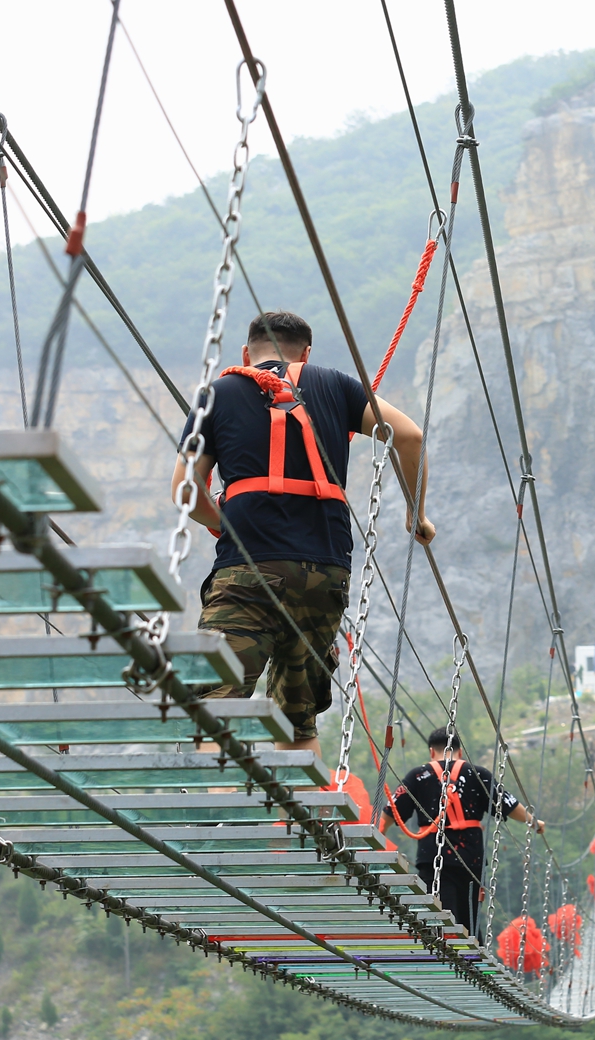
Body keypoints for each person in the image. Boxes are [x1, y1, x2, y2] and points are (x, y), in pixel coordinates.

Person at [169, 311, 435, 754]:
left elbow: (183, 487)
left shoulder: (218, 392)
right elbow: (409, 435)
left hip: (249, 569)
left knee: (217, 708)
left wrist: (223, 524)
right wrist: (416, 514)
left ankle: (221, 821)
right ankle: (307, 820)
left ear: (246, 354)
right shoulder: (337, 385)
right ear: (306, 354)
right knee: (298, 719)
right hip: (325, 570)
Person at [391, 728, 545, 936]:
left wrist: (369, 844)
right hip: (471, 857)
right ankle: (474, 956)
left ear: (431, 752)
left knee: (437, 915)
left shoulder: (417, 776)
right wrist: (533, 822)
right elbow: (508, 803)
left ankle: (444, 952)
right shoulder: (478, 774)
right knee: (469, 919)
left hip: (432, 858)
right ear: (460, 752)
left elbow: (390, 814)